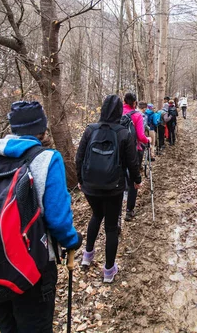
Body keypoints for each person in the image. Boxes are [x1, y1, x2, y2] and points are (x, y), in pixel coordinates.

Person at [0, 101, 82, 333]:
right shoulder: (48, 159)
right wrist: (72, 241)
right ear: (42, 127)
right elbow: (58, 219)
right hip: (33, 266)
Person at [76, 95, 141, 283]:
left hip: (90, 186)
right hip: (114, 187)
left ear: (102, 109)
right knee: (111, 227)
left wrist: (81, 180)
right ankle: (109, 271)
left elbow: (79, 158)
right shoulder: (123, 133)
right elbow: (132, 162)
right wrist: (136, 180)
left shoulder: (90, 130)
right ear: (120, 111)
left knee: (96, 215)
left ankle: (87, 256)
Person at [122, 93, 150, 221]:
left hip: (118, 152)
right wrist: (148, 140)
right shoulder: (137, 115)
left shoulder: (117, 113)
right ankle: (129, 210)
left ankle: (117, 215)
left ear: (124, 101)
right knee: (134, 178)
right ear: (134, 103)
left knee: (120, 179)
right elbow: (140, 136)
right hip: (134, 150)